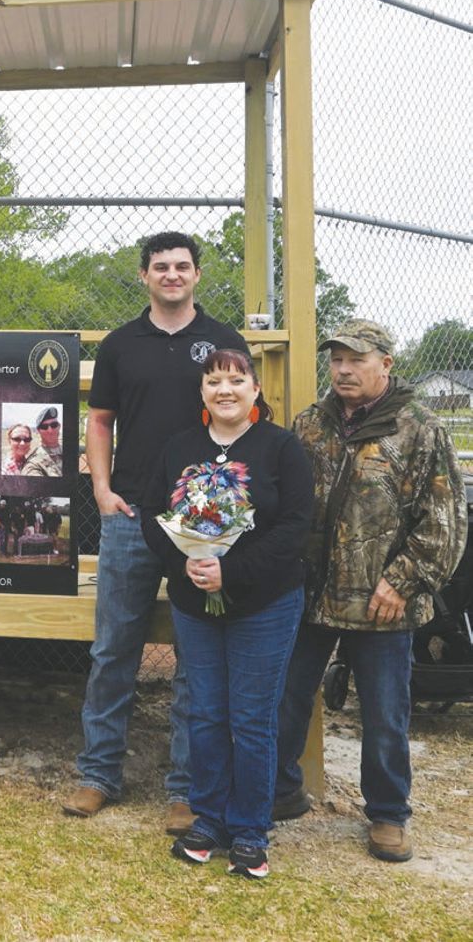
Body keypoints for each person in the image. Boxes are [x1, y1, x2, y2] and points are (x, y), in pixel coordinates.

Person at [64, 231, 247, 836]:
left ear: (197, 275)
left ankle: (186, 789)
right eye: (161, 267)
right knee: (114, 650)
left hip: (203, 528)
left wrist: (225, 509)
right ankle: (97, 776)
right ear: (144, 275)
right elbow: (99, 420)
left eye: (183, 267)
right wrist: (101, 490)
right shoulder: (121, 345)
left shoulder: (223, 342)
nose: (172, 275)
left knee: (197, 661)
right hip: (132, 518)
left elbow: (245, 423)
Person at [274, 319, 465, 864]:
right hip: (310, 594)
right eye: (336, 360)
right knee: (287, 697)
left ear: (386, 363)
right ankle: (282, 791)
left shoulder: (420, 428)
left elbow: (444, 520)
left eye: (356, 359)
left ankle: (387, 814)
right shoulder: (310, 424)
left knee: (384, 712)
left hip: (384, 601)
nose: (343, 369)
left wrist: (402, 581)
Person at [142, 349, 313, 880]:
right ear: (202, 392)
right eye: (214, 381)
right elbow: (153, 514)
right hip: (197, 602)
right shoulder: (181, 448)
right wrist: (187, 562)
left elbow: (294, 527)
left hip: (264, 602)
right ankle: (208, 818)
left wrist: (230, 573)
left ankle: (249, 830)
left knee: (252, 717)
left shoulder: (281, 449)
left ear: (255, 390)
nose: (225, 389)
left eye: (237, 380)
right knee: (206, 711)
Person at [22, 407, 63, 476]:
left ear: (59, 426)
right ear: (38, 431)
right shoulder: (34, 461)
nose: (50, 430)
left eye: (54, 425)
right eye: (44, 427)